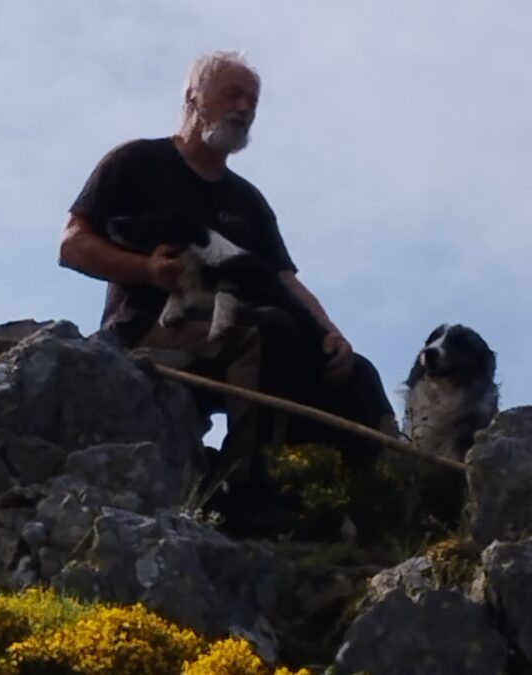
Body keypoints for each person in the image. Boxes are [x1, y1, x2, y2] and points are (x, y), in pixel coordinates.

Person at [59, 50, 395, 498]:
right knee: (266, 333)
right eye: (232, 95)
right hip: (148, 331)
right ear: (193, 97)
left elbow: (284, 280)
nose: (244, 108)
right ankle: (245, 491)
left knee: (352, 373)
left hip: (243, 330)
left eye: (252, 102)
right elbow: (71, 245)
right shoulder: (135, 162)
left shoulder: (248, 201)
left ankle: (355, 503)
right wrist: (146, 269)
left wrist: (330, 333)